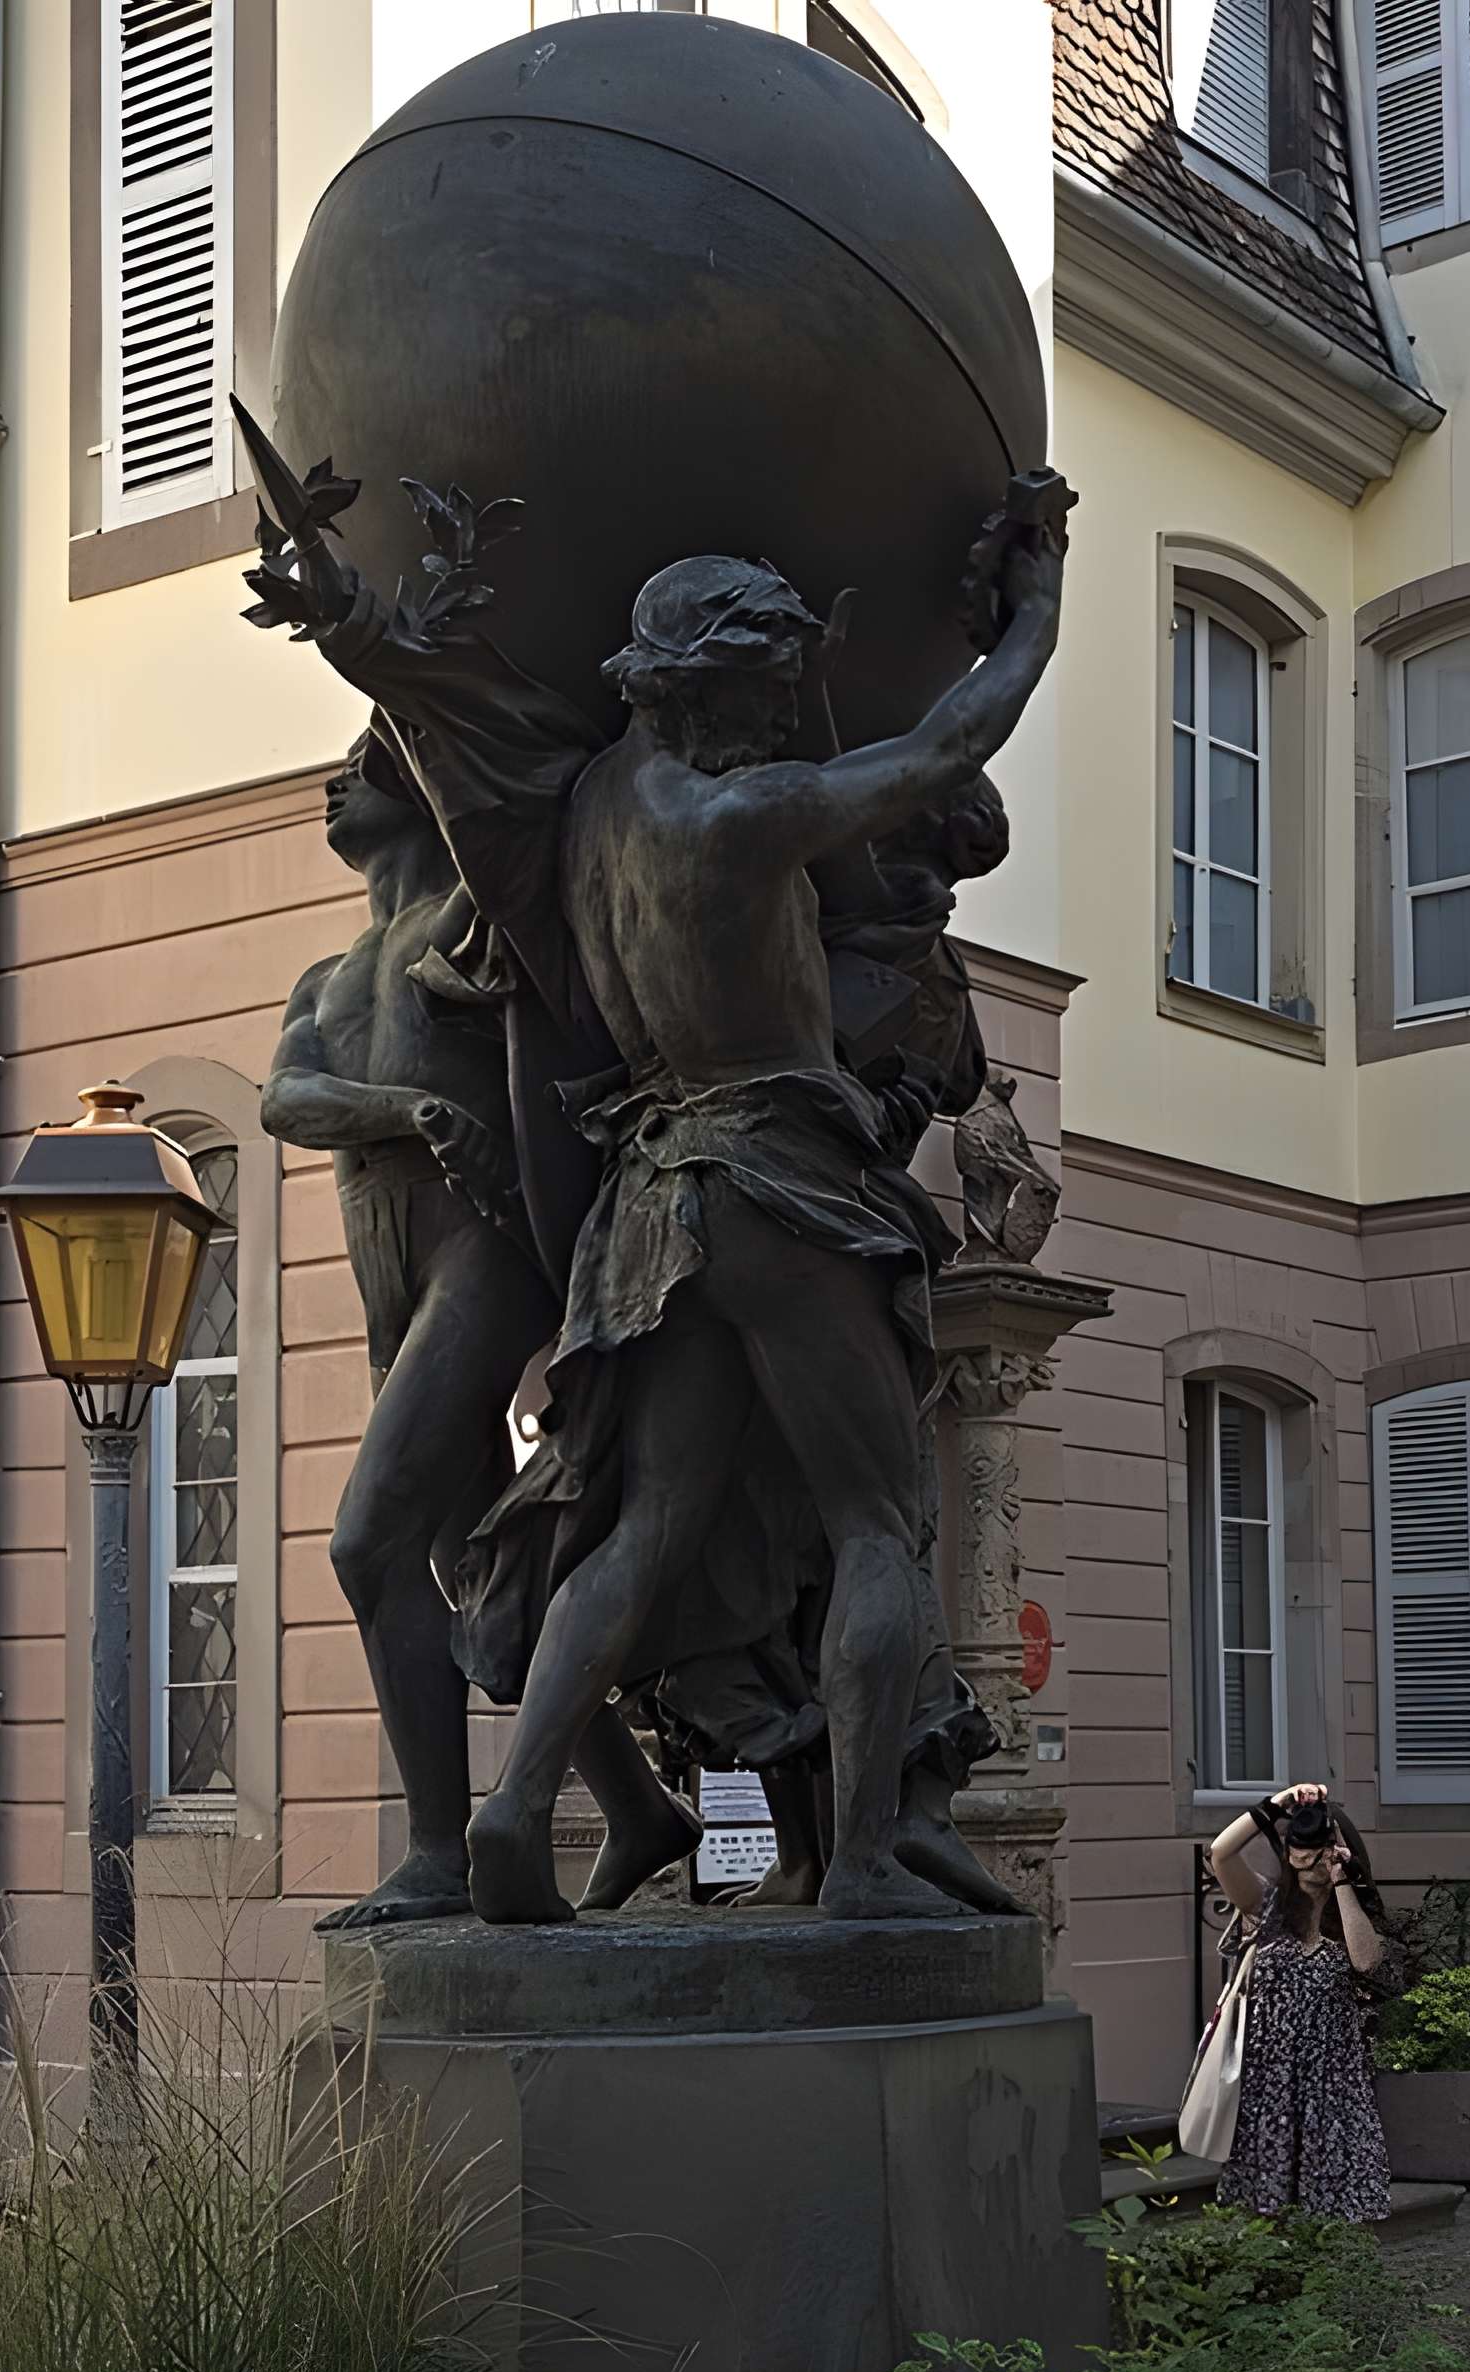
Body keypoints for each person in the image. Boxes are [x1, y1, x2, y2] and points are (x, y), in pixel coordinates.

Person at [458, 484, 1071, 1925]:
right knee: (880, 1525)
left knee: (653, 1521)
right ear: (701, 688)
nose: (777, 715)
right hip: (779, 1173)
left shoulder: (593, 804)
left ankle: (514, 1803)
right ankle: (858, 1865)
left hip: (654, 1195)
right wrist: (1037, 609)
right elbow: (947, 747)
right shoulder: (742, 817)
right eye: (760, 687)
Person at [261, 725, 699, 1926]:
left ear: (412, 786)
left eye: (359, 763)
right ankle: (637, 1804)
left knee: (369, 1544)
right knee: (466, 1565)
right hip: (388, 1281)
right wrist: (404, 1105)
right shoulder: (327, 976)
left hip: (476, 1255)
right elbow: (283, 1098)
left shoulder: (469, 912)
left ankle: (435, 1851)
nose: (333, 778)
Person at [1207, 1779, 1406, 2222]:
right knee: (1268, 2206)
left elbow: (1367, 1962)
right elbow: (1221, 1853)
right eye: (1297, 1861)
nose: (1305, 1870)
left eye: (1314, 1858)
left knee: (1335, 2208)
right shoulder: (1269, 1907)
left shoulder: (1352, 1913)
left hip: (1331, 2083)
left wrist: (1341, 1881)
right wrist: (1279, 1804)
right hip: (1271, 2079)